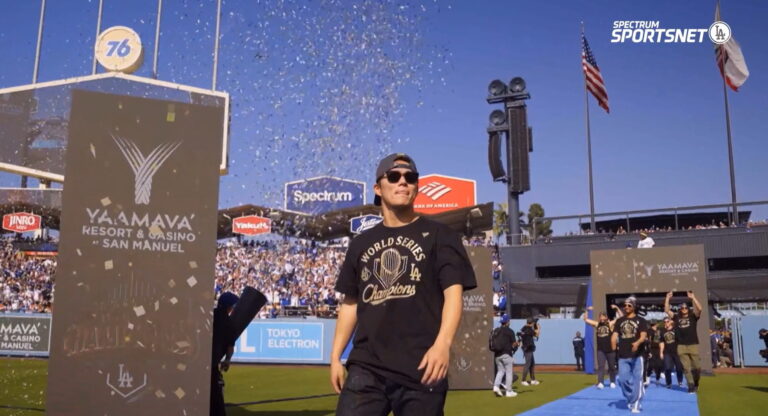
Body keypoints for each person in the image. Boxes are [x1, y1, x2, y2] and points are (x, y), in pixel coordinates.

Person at [330, 153, 477, 416]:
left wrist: (443, 345)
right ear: (378, 188)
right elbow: (350, 304)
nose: (403, 182)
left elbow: (453, 295)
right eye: (394, 176)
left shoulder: (441, 235)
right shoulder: (361, 243)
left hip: (423, 366)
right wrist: (335, 356)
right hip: (367, 366)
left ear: (417, 187)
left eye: (410, 177)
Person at [611, 296, 648, 414]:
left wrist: (637, 343)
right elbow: (615, 335)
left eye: (629, 305)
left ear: (634, 307)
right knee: (622, 380)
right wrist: (613, 344)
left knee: (637, 379)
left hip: (637, 355)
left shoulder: (641, 320)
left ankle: (635, 403)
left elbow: (643, 336)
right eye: (625, 305)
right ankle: (632, 397)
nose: (626, 307)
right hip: (623, 355)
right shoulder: (619, 321)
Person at [665, 291, 702, 394]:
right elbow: (667, 310)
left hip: (693, 344)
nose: (684, 309)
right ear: (680, 309)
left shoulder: (693, 316)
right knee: (686, 368)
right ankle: (690, 385)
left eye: (685, 308)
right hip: (681, 345)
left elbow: (700, 309)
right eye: (682, 308)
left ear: (688, 309)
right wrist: (667, 298)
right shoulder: (677, 317)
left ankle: (696, 382)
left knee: (697, 368)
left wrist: (693, 298)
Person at [211, 292, 239, 416]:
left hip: (199, 361)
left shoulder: (210, 315)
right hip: (212, 365)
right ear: (229, 307)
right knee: (216, 398)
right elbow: (230, 347)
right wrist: (227, 360)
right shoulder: (229, 323)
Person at [583, 305, 621, 389]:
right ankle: (600, 382)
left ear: (606, 317)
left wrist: (617, 308)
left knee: (611, 366)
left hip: (610, 349)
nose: (602, 318)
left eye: (603, 316)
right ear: (599, 318)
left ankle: (612, 381)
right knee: (601, 366)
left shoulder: (610, 324)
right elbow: (585, 319)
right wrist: (587, 310)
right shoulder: (597, 324)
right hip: (601, 350)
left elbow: (619, 319)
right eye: (601, 316)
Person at [491, 314, 518, 397]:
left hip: (497, 355)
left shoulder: (497, 330)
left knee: (500, 371)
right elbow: (513, 344)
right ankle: (509, 391)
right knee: (509, 372)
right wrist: (517, 344)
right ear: (508, 322)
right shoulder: (510, 331)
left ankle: (496, 386)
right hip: (506, 354)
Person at [659, 317, 684, 388]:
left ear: (670, 322)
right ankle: (668, 383)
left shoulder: (676, 329)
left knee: (679, 367)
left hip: (677, 351)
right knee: (667, 368)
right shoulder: (662, 331)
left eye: (667, 321)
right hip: (667, 352)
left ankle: (680, 381)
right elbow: (661, 342)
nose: (666, 323)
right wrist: (661, 352)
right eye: (665, 322)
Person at [519, 318, 540, 386]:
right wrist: (538, 328)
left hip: (527, 348)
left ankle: (533, 380)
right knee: (528, 364)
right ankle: (523, 380)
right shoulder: (529, 329)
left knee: (532, 364)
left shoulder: (524, 328)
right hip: (528, 348)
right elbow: (536, 335)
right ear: (532, 323)